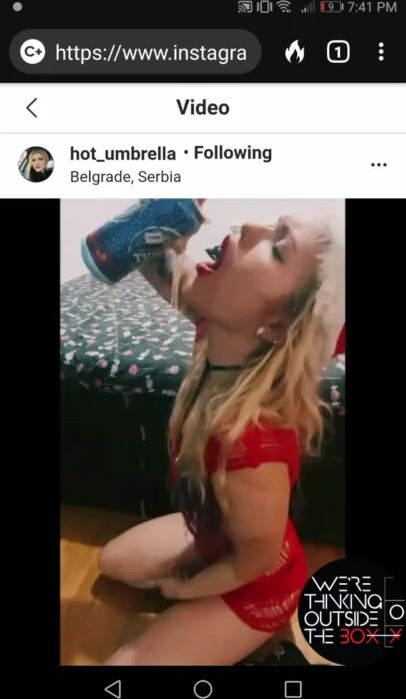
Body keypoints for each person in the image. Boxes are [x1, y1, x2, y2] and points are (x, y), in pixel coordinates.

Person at [98, 206, 345, 666]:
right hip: (221, 536)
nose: (249, 227)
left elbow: (255, 561)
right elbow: (147, 255)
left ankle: (271, 648)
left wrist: (185, 589)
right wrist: (163, 213)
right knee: (114, 561)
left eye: (278, 247)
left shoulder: (253, 447)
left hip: (258, 581)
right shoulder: (219, 334)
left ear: (276, 325)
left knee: (123, 665)